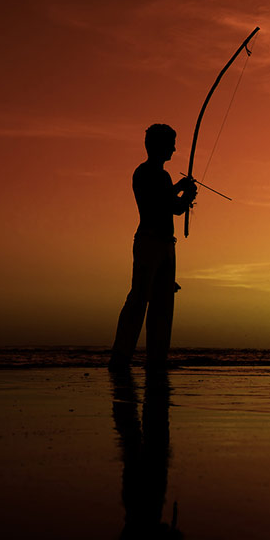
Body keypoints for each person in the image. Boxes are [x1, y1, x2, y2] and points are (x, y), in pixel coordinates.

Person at [111, 124, 197, 370]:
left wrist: (181, 189)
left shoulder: (149, 174)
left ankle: (144, 358)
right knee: (143, 300)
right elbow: (173, 207)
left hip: (163, 244)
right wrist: (187, 195)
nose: (174, 148)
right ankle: (127, 357)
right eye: (171, 143)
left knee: (159, 300)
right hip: (151, 242)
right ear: (159, 146)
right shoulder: (155, 174)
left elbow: (164, 199)